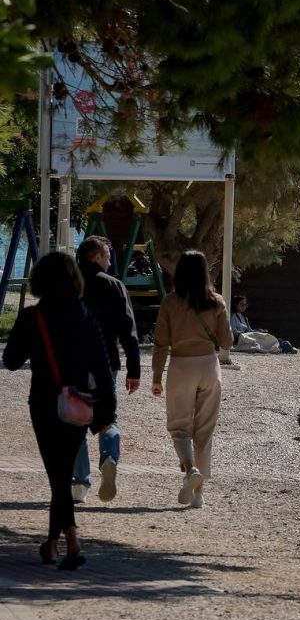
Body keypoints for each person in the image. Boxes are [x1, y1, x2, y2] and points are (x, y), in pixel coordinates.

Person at [3, 253, 116, 569]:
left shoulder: (32, 317)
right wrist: (107, 411)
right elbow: (103, 366)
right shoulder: (86, 315)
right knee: (61, 472)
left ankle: (72, 540)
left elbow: (11, 361)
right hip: (78, 404)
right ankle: (52, 544)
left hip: (43, 403)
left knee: (57, 475)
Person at [151, 251, 233, 509]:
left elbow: (160, 343)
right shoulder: (216, 302)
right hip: (209, 366)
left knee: (179, 427)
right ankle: (198, 494)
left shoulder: (170, 302)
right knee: (204, 431)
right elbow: (227, 342)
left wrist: (156, 376)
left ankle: (189, 470)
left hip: (180, 366)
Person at [71, 236, 141, 504]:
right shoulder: (114, 286)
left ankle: (79, 484)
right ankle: (109, 457)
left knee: (76, 420)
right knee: (106, 418)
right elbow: (128, 331)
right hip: (104, 362)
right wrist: (134, 370)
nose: (111, 261)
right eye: (108, 255)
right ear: (95, 257)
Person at [229, 294, 296, 353]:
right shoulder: (232, 316)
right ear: (235, 305)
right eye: (242, 304)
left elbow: (249, 329)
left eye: (245, 305)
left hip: (248, 335)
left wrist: (257, 331)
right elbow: (234, 332)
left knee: (264, 335)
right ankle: (282, 346)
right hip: (241, 338)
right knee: (262, 340)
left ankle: (281, 344)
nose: (244, 306)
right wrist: (246, 332)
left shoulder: (244, 316)